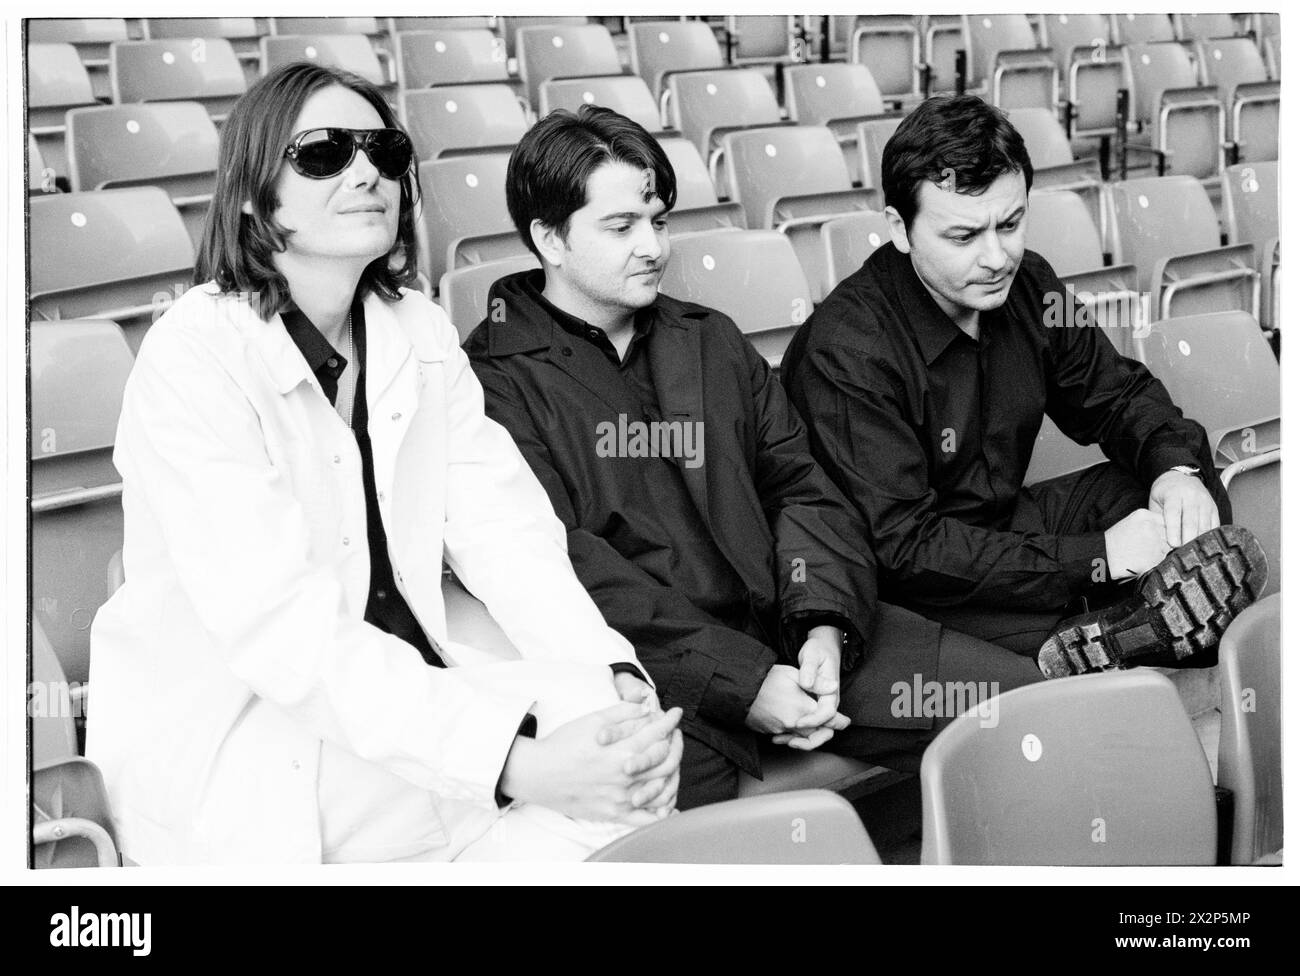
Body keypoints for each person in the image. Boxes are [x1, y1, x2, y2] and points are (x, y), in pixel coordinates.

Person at [86, 63, 683, 866]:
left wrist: (614, 681)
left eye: (385, 150)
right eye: (325, 153)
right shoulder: (193, 357)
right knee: (559, 786)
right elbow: (283, 633)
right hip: (259, 734)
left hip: (403, 698)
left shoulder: (417, 329)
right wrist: (519, 764)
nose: (368, 170)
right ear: (254, 198)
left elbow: (507, 533)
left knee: (626, 774)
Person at [464, 106, 1046, 810]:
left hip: (799, 633)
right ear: (549, 238)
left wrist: (825, 624)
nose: (652, 246)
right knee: (721, 841)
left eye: (659, 219)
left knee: (1027, 719)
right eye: (621, 228)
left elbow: (804, 488)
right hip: (663, 682)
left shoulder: (708, 339)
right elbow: (568, 569)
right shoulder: (492, 382)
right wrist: (744, 683)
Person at [781, 95, 1266, 678]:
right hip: (918, 580)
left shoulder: (1031, 282)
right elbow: (905, 548)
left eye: (1010, 224)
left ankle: (1117, 627)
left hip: (1012, 526)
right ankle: (1113, 627)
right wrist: (1099, 557)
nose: (996, 257)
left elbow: (1118, 396)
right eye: (963, 236)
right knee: (1042, 602)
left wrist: (1175, 474)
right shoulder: (847, 351)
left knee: (1177, 480)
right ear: (899, 229)